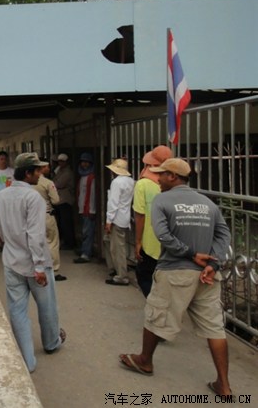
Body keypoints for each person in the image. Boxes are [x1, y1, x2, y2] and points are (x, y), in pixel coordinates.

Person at [119, 158, 232, 398]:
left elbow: (162, 235)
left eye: (161, 174)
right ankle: (224, 384)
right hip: (207, 276)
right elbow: (224, 234)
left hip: (175, 271)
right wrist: (214, 263)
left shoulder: (162, 200)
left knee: (156, 315)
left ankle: (145, 360)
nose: (157, 179)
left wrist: (190, 254)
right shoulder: (207, 203)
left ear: (172, 176)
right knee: (214, 328)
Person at [0, 152, 66, 372]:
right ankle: (51, 342)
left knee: (17, 310)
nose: (40, 174)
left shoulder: (2, 196)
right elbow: (35, 235)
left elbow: (1, 230)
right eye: (37, 170)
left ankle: (27, 360)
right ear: (28, 173)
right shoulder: (33, 198)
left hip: (12, 261)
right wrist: (39, 266)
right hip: (35, 265)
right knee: (47, 306)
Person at [133, 145, 173, 297]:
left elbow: (140, 215)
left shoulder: (142, 184)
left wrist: (138, 241)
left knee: (144, 275)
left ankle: (156, 304)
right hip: (171, 241)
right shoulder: (174, 182)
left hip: (150, 241)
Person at [33, 157, 66, 281]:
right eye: (47, 166)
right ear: (41, 168)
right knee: (52, 242)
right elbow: (56, 200)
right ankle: (54, 270)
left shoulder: (28, 183)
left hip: (33, 217)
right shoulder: (47, 182)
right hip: (46, 215)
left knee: (37, 242)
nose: (49, 168)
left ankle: (39, 268)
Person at [103, 159, 135, 285]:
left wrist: (108, 220)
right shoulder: (131, 181)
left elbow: (113, 202)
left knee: (117, 248)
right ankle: (115, 268)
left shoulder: (116, 182)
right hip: (124, 217)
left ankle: (121, 275)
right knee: (112, 243)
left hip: (116, 218)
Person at [73, 153, 96, 263]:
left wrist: (92, 210)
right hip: (83, 208)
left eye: (87, 162)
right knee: (85, 231)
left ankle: (86, 254)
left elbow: (92, 195)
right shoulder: (83, 176)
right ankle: (84, 249)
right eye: (83, 162)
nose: (84, 164)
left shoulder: (91, 177)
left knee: (87, 232)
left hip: (88, 209)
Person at [53, 153, 76, 250]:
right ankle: (65, 241)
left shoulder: (67, 172)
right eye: (59, 161)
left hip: (66, 200)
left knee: (66, 223)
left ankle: (69, 242)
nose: (60, 163)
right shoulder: (60, 170)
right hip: (60, 199)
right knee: (62, 222)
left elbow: (58, 184)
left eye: (62, 161)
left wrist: (53, 182)